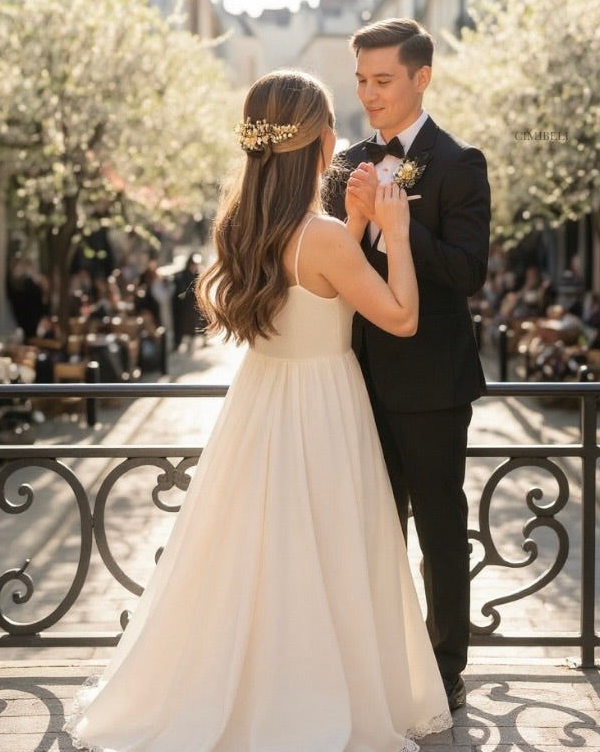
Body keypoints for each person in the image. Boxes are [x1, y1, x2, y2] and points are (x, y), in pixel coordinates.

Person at [64, 69, 451, 752]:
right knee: (327, 550)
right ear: (320, 143)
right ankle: (316, 693)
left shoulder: (241, 228)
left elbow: (313, 283)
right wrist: (393, 230)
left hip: (261, 401)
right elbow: (400, 316)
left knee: (257, 552)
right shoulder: (324, 237)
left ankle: (252, 685)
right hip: (324, 406)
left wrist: (356, 224)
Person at [330, 18, 491, 712]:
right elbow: (333, 260)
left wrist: (401, 228)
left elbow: (468, 272)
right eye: (361, 80)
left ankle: (443, 667)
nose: (369, 94)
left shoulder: (459, 163)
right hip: (351, 376)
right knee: (370, 526)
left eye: (383, 80)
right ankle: (375, 662)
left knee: (439, 529)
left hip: (431, 385)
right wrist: (356, 218)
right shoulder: (345, 162)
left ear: (421, 78)